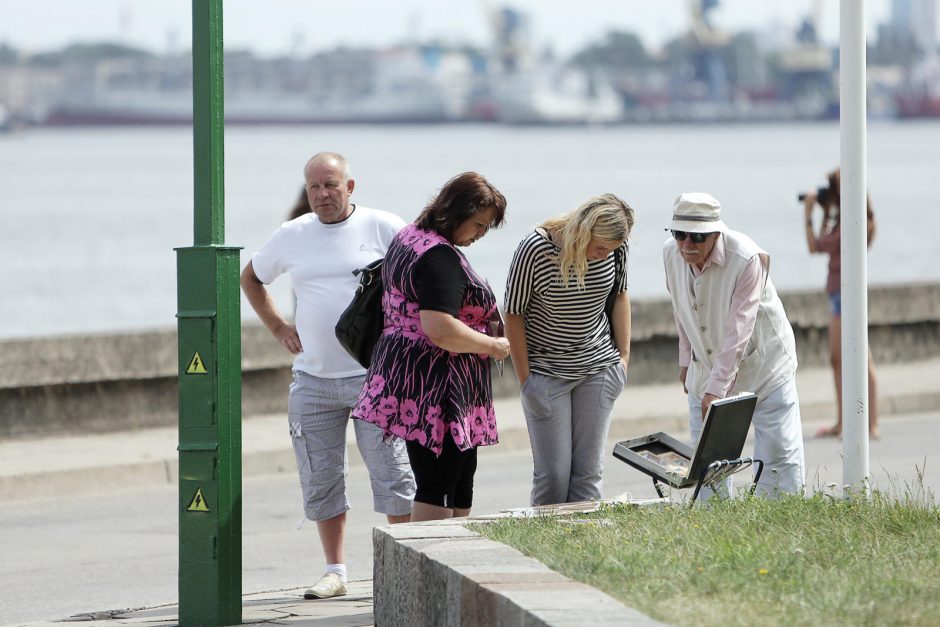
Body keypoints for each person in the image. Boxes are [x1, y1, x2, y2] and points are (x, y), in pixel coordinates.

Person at [240, 152, 415, 600]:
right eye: (315, 186)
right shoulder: (292, 235)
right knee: (321, 477)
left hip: (374, 377)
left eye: (331, 185)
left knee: (392, 474)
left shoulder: (383, 226)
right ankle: (334, 570)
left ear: (350, 187)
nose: (322, 194)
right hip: (313, 382)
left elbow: (422, 277)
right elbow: (251, 278)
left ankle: (406, 564)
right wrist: (279, 326)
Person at [351, 172, 509, 522]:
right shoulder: (440, 258)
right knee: (439, 480)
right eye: (478, 224)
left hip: (409, 372)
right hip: (438, 383)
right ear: (456, 213)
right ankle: (432, 564)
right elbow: (439, 327)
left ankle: (451, 556)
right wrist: (493, 345)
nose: (481, 234)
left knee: (459, 474)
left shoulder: (411, 236)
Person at [663, 192, 805, 498]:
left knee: (779, 454)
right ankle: (712, 524)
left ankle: (782, 518)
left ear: (716, 233)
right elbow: (681, 306)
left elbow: (739, 330)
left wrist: (716, 389)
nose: (686, 244)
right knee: (708, 459)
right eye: (679, 234)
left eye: (696, 237)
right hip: (706, 364)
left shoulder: (748, 259)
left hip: (765, 365)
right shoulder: (670, 254)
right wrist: (686, 360)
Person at [503, 193, 634, 506]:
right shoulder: (535, 249)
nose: (604, 255)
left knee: (588, 476)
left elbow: (620, 297)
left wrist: (624, 359)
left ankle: (582, 551)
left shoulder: (618, 248)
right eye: (600, 247)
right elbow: (512, 314)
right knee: (553, 477)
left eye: (611, 250)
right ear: (583, 232)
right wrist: (526, 379)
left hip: (599, 368)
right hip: (546, 374)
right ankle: (541, 551)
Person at [803, 168, 880, 439]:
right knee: (845, 360)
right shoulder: (848, 221)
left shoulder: (851, 225)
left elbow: (815, 246)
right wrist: (826, 212)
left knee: (845, 358)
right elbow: (824, 244)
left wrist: (809, 213)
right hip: (840, 295)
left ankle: (867, 424)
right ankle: (849, 421)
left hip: (845, 297)